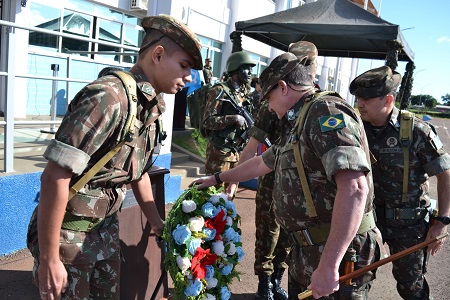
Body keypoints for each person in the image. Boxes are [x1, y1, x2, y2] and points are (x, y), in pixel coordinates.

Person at [26, 14, 203, 300]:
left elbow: (138, 171)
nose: (188, 78)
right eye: (184, 66)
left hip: (104, 234)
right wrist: (49, 258)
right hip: (69, 239)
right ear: (158, 55)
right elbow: (55, 176)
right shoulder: (108, 98)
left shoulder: (150, 106)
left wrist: (156, 222)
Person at [192, 52, 383, 299]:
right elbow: (262, 162)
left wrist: (329, 266)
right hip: (309, 249)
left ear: (283, 87)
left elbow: (355, 188)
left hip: (338, 253)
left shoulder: (324, 112)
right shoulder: (301, 120)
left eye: (268, 98)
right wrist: (218, 178)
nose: (269, 107)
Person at [228, 41, 321, 300]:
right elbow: (252, 146)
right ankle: (264, 283)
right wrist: (234, 179)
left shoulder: (318, 102)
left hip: (303, 185)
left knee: (291, 237)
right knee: (268, 233)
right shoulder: (274, 100)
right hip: (272, 178)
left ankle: (277, 279)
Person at [350, 66, 450, 299]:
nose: (360, 104)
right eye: (358, 98)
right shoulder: (355, 129)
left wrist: (442, 221)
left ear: (388, 99)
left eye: (366, 98)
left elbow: (444, 174)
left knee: (411, 287)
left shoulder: (416, 131)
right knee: (356, 283)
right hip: (367, 221)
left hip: (409, 226)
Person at [202, 51, 255, 195]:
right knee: (212, 194)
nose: (250, 72)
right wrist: (233, 118)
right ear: (235, 69)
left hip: (236, 152)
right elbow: (207, 122)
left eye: (251, 68)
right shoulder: (219, 91)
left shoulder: (243, 94)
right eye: (246, 68)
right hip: (219, 152)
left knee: (229, 195)